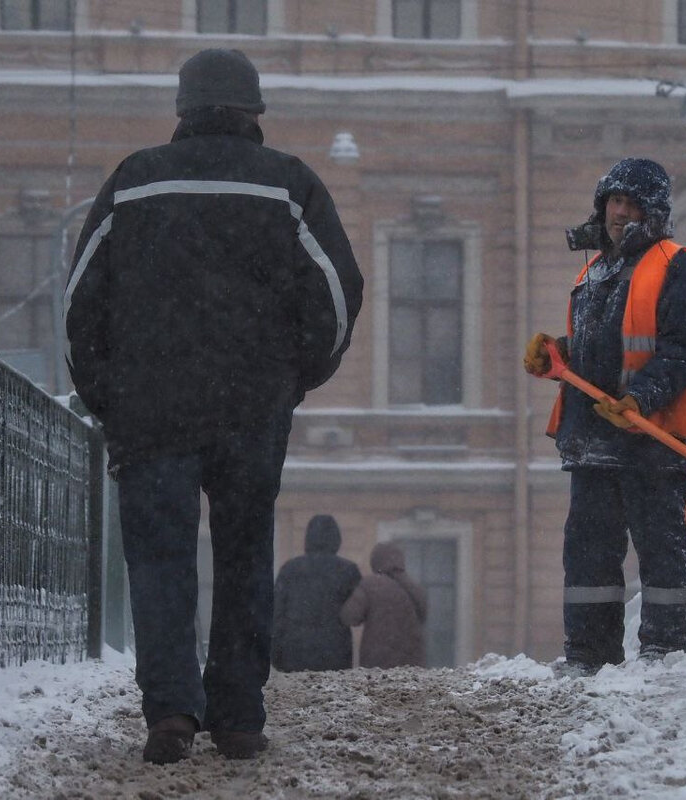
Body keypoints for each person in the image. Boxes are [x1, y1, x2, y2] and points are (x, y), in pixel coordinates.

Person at [64, 48, 363, 764]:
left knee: (160, 560)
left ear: (182, 108)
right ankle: (237, 716)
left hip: (150, 408)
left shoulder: (133, 182)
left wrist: (110, 396)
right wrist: (294, 378)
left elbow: (80, 304)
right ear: (255, 111)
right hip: (250, 408)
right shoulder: (289, 184)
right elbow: (336, 294)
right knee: (242, 555)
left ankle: (169, 712)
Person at [523, 157, 686, 674]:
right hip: (594, 441)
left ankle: (665, 653)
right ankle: (588, 654)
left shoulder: (677, 266)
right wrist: (557, 354)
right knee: (588, 555)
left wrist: (642, 398)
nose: (619, 212)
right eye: (613, 201)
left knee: (661, 550)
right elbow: (602, 352)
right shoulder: (595, 269)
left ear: (651, 213)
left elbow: (684, 350)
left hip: (654, 439)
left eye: (631, 203)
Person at [272, 515, 362, 672]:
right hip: (335, 651)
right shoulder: (348, 570)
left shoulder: (290, 569)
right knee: (330, 695)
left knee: (297, 696)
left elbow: (276, 613)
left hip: (294, 651)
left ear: (308, 538)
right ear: (337, 539)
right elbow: (355, 613)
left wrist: (276, 653)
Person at [340, 542, 428, 668]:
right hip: (412, 663)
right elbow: (424, 615)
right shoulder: (415, 588)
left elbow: (350, 617)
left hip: (378, 662)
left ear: (376, 562)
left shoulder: (370, 585)